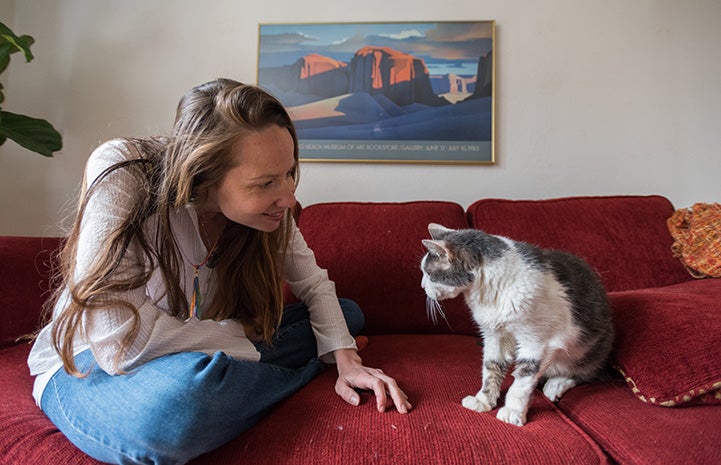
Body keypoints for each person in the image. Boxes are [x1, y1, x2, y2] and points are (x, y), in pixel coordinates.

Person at [27, 78, 412, 465]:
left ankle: (236, 374)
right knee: (182, 406)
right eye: (265, 183)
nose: (289, 197)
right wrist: (238, 333)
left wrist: (346, 362)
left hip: (188, 350)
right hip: (88, 364)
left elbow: (312, 283)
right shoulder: (123, 171)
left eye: (290, 173)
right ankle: (295, 372)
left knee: (345, 315)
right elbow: (119, 346)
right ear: (204, 174)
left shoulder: (271, 209)